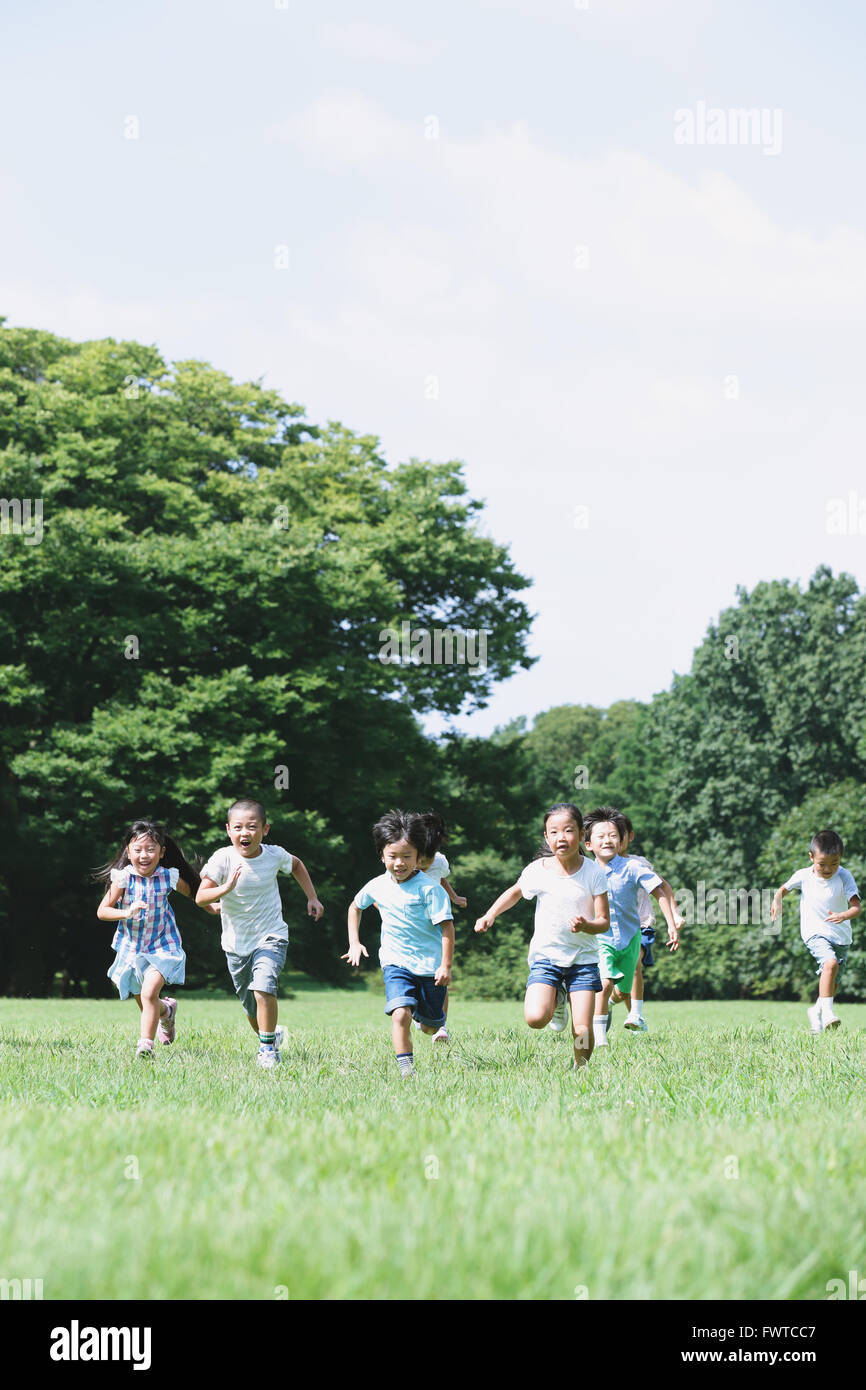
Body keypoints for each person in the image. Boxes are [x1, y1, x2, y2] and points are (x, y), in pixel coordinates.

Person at [474, 803, 609, 1069]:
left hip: (582, 961)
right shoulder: (538, 870)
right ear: (546, 837)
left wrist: (586, 926)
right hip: (547, 957)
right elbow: (514, 892)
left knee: (581, 1027)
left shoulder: (594, 872)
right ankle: (557, 998)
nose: (561, 837)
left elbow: (604, 922)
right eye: (554, 832)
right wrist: (490, 915)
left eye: (568, 831)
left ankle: (580, 1070)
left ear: (582, 834)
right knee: (535, 1018)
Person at [196, 798, 324, 1068]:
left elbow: (297, 865)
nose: (245, 833)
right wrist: (224, 890)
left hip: (271, 936)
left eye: (252, 827)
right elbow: (200, 896)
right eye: (239, 827)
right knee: (250, 1007)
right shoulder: (222, 858)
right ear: (228, 830)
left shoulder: (274, 854)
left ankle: (267, 1051)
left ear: (265, 830)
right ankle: (272, 1036)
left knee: (263, 987)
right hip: (235, 943)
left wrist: (312, 897)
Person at [343, 809, 454, 1078]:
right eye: (393, 856)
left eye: (407, 856)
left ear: (419, 857)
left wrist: (445, 966)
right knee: (400, 1013)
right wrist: (354, 943)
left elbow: (447, 927)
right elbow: (355, 907)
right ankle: (407, 1070)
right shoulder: (377, 885)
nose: (399, 863)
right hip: (395, 963)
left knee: (430, 1026)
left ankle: (425, 1021)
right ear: (382, 856)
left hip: (429, 967)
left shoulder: (430, 889)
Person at [96, 819, 205, 1059]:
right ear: (128, 851)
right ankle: (167, 1012)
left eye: (151, 849)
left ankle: (145, 1046)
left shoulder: (169, 877)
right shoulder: (122, 879)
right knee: (147, 1001)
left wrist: (217, 907)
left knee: (148, 994)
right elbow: (102, 911)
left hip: (163, 946)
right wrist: (126, 912)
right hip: (132, 948)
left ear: (162, 852)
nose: (144, 855)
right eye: (138, 850)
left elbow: (197, 896)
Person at [582, 807, 680, 1047]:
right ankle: (600, 1040)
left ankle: (627, 1010)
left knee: (624, 990)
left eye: (613, 835)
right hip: (601, 938)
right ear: (588, 845)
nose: (608, 840)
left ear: (622, 839)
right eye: (601, 837)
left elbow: (659, 892)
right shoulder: (585, 871)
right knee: (604, 983)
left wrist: (671, 923)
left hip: (631, 938)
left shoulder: (633, 867)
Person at [770, 828, 861, 1033]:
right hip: (814, 932)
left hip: (841, 937)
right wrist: (777, 900)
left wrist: (843, 915)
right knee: (829, 963)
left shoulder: (845, 876)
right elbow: (783, 889)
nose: (828, 869)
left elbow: (856, 908)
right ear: (811, 857)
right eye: (822, 864)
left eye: (834, 864)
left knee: (832, 982)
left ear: (841, 859)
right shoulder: (803, 875)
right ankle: (828, 1015)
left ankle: (816, 1011)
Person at [608, 815, 683, 1032]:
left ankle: (636, 1014)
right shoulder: (597, 867)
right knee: (620, 986)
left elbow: (664, 887)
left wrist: (675, 916)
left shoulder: (638, 863)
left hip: (642, 924)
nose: (611, 841)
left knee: (634, 965)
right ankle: (612, 1004)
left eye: (616, 836)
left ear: (628, 837)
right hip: (610, 931)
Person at [410, 811, 467, 1044]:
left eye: (428, 858)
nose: (423, 864)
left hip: (435, 927)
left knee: (440, 974)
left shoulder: (439, 862)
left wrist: (453, 897)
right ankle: (415, 1010)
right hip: (409, 930)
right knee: (411, 976)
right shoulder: (402, 862)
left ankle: (441, 1025)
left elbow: (441, 878)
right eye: (419, 858)